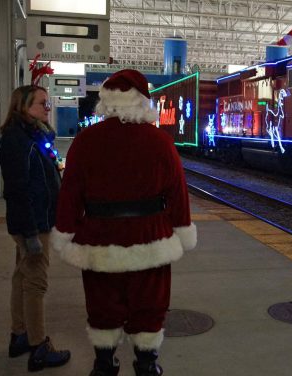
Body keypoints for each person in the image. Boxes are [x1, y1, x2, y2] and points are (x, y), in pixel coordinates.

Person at [50, 69, 197, 376]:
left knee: (102, 302)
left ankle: (104, 363)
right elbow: (178, 192)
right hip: (151, 237)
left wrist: (65, 230)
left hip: (100, 237)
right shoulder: (160, 142)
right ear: (142, 103)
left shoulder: (86, 141)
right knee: (150, 302)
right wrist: (182, 228)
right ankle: (146, 363)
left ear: (108, 102)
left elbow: (71, 192)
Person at [0, 85, 71, 372]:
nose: (47, 108)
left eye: (48, 103)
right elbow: (17, 190)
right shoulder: (18, 140)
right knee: (36, 283)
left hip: (34, 219)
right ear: (24, 106)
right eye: (42, 103)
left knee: (21, 276)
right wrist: (30, 234)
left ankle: (19, 335)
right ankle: (39, 347)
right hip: (32, 222)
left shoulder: (29, 135)